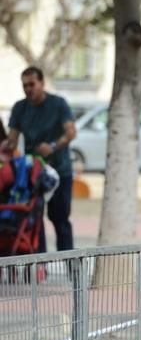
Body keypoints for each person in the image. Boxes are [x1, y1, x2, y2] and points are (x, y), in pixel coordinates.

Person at [3, 67, 76, 253]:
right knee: (32, 220)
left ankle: (72, 270)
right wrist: (7, 148)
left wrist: (52, 146)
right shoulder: (20, 107)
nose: (28, 89)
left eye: (32, 84)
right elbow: (12, 140)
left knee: (59, 218)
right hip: (32, 175)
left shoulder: (58, 104)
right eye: (25, 85)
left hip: (60, 171)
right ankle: (39, 269)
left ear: (42, 83)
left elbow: (71, 132)